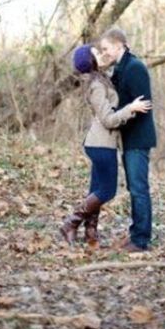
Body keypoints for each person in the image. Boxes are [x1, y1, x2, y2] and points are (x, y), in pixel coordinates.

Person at [60, 45, 151, 248]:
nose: (101, 55)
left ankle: (90, 232)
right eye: (96, 53)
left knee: (97, 189)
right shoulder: (96, 85)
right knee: (107, 191)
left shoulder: (100, 79)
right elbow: (109, 120)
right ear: (90, 60)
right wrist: (131, 108)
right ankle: (70, 222)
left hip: (102, 143)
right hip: (101, 144)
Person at [99, 27, 156, 252]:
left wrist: (118, 117)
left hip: (139, 138)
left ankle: (141, 240)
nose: (103, 52)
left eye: (106, 48)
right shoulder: (121, 68)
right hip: (129, 138)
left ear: (118, 45)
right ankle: (135, 234)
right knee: (134, 188)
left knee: (139, 189)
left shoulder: (135, 67)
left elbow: (144, 105)